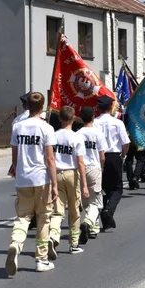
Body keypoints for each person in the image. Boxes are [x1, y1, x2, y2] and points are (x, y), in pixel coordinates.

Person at [7, 92, 59, 275]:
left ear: (27, 106)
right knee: (43, 218)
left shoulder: (17, 127)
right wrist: (54, 184)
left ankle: (16, 243)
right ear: (42, 107)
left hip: (23, 177)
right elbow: (50, 159)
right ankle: (41, 259)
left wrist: (17, 171)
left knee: (23, 217)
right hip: (41, 178)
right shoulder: (46, 128)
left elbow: (14, 157)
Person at [49, 105, 90, 256]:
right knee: (74, 210)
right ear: (73, 118)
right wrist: (84, 185)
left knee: (57, 210)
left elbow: (50, 157)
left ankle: (53, 236)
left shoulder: (54, 136)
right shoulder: (76, 137)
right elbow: (80, 162)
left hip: (57, 173)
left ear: (59, 118)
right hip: (72, 174)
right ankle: (74, 243)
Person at [95, 95, 130, 231]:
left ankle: (104, 213)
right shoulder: (117, 123)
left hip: (99, 156)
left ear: (98, 108)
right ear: (111, 107)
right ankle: (108, 211)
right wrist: (123, 155)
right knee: (117, 188)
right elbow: (126, 143)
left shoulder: (95, 122)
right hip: (115, 156)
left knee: (103, 188)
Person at [76, 106, 107, 241]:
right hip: (94, 167)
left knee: (86, 200)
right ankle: (88, 222)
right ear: (93, 117)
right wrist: (102, 167)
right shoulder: (98, 133)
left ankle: (93, 229)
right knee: (96, 201)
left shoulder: (78, 134)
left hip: (81, 168)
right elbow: (102, 155)